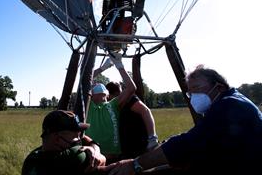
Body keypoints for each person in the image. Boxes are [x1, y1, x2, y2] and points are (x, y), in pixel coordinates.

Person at [101, 65, 262, 175]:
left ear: (219, 87)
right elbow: (201, 140)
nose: (193, 97)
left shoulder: (229, 106)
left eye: (196, 89)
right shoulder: (228, 101)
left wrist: (135, 164)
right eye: (190, 93)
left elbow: (188, 143)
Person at [85, 52, 136, 164]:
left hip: (115, 158)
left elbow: (131, 88)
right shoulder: (88, 107)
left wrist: (119, 65)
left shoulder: (113, 104)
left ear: (107, 95)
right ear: (91, 95)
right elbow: (85, 76)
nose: (97, 83)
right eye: (94, 84)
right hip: (94, 159)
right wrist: (103, 68)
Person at [22, 110, 106, 175]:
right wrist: (95, 149)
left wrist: (93, 145)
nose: (79, 139)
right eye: (76, 136)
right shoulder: (73, 157)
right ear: (57, 139)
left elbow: (83, 137)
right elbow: (102, 159)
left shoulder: (32, 158)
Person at [106, 81, 158, 159]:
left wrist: (152, 137)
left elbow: (146, 111)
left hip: (139, 145)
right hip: (128, 149)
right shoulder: (114, 105)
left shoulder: (129, 99)